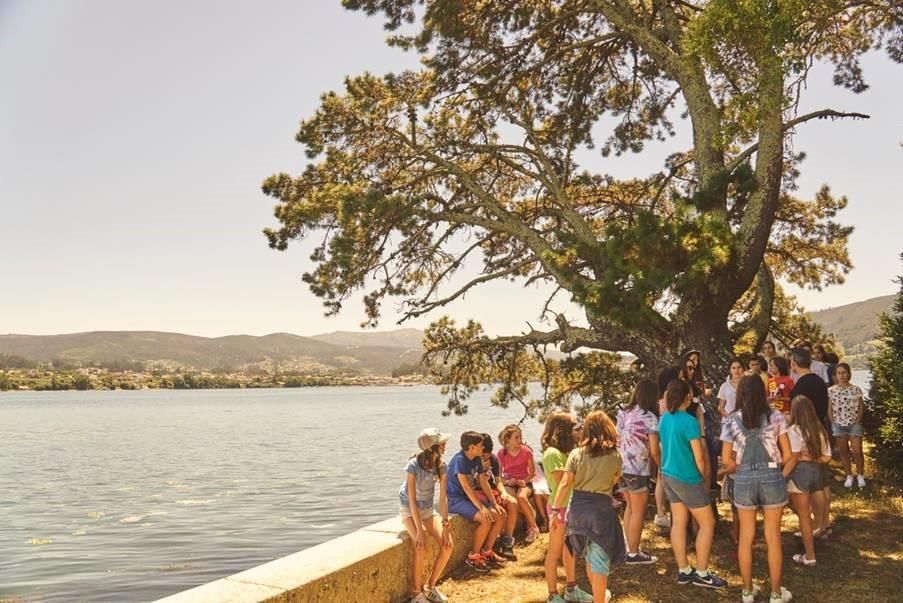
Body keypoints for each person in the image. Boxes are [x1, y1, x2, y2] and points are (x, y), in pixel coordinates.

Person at [721, 376, 793, 603]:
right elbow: (788, 455)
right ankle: (775, 592)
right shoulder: (776, 416)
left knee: (745, 537)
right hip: (771, 474)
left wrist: (737, 468)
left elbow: (726, 460)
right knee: (773, 536)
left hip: (743, 477)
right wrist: (776, 472)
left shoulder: (732, 420)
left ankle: (747, 591)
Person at [551, 411, 626, 603]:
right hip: (600, 511)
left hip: (577, 511)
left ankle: (598, 595)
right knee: (599, 561)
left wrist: (554, 510)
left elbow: (566, 483)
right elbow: (614, 480)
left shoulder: (576, 454)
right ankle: (599, 598)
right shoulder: (615, 456)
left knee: (587, 555)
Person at [659, 379, 727, 590]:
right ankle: (702, 572)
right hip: (688, 478)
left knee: (678, 522)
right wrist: (704, 475)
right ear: (687, 398)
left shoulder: (664, 420)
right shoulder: (690, 422)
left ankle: (683, 569)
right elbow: (699, 456)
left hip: (668, 475)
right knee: (707, 524)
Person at [541, 413, 594, 603]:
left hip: (571, 507)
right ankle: (552, 594)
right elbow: (562, 481)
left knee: (570, 549)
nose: (579, 431)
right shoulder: (552, 454)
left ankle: (571, 588)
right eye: (575, 428)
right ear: (563, 430)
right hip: (559, 508)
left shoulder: (567, 453)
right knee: (554, 552)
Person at [399, 428, 453, 603]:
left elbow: (443, 499)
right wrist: (420, 531)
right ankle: (417, 594)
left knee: (447, 545)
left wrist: (445, 524)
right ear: (432, 447)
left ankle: (430, 587)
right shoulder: (413, 466)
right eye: (441, 443)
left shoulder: (442, 466)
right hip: (409, 509)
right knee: (421, 545)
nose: (445, 445)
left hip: (428, 510)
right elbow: (412, 500)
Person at [446, 430, 508, 573]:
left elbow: (483, 482)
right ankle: (473, 556)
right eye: (480, 445)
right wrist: (482, 508)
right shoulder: (459, 460)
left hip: (469, 498)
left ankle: (487, 551)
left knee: (501, 515)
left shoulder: (477, 458)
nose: (483, 448)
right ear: (471, 447)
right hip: (456, 500)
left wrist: (494, 504)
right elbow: (467, 488)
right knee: (485, 519)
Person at [616, 378, 661, 564]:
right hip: (638, 470)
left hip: (621, 467)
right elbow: (654, 449)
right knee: (638, 512)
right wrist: (661, 467)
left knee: (630, 508)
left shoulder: (623, 413)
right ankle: (634, 553)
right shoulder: (649, 416)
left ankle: (629, 547)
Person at [784, 395, 831, 567]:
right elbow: (827, 457)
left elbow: (793, 457)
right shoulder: (819, 429)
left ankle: (809, 555)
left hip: (800, 475)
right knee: (816, 509)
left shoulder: (793, 431)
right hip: (817, 474)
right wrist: (813, 458)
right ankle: (816, 530)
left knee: (803, 515)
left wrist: (783, 474)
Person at [790, 347, 833, 535]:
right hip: (821, 428)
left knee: (814, 484)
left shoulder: (800, 386)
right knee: (822, 481)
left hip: (806, 432)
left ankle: (817, 525)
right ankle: (824, 522)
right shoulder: (819, 381)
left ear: (793, 363)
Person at [476, 433, 519, 560]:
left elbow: (498, 480)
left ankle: (507, 541)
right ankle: (488, 548)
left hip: (492, 490)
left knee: (512, 502)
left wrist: (504, 493)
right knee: (500, 513)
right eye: (483, 455)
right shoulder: (473, 461)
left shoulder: (494, 460)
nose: (486, 457)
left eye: (488, 455)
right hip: (478, 492)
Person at [497, 424, 542, 543]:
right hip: (510, 482)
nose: (520, 440)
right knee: (512, 501)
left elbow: (532, 473)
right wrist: (507, 481)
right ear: (508, 439)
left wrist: (524, 481)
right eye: (516, 438)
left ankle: (533, 528)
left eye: (520, 437)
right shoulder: (501, 453)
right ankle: (508, 537)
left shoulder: (526, 451)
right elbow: (498, 476)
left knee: (521, 497)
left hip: (525, 481)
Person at [828, 363, 867, 488]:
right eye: (839, 373)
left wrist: (857, 420)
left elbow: (861, 406)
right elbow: (830, 408)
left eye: (844, 372)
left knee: (857, 450)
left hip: (853, 423)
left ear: (849, 374)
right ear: (835, 375)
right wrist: (833, 421)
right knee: (844, 451)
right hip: (839, 424)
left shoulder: (856, 389)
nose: (842, 375)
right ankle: (848, 475)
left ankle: (860, 475)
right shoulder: (831, 390)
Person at [653, 366, 680, 530]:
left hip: (664, 438)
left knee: (661, 476)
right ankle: (662, 512)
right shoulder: (667, 398)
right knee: (662, 476)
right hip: (668, 439)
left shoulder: (659, 398)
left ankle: (661, 512)